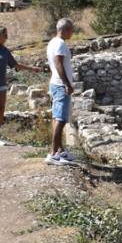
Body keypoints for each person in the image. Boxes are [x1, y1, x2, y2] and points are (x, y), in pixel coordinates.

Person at [0, 26, 42, 146]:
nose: (7, 37)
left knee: (1, 110)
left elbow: (15, 65)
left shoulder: (5, 50)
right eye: (5, 35)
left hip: (1, 84)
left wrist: (32, 68)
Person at [46, 18, 76, 166]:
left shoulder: (52, 42)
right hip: (60, 85)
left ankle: (60, 150)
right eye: (71, 30)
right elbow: (58, 63)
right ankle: (53, 154)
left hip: (55, 83)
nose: (72, 33)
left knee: (57, 117)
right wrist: (66, 84)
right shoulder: (60, 44)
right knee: (61, 119)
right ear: (65, 30)